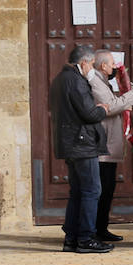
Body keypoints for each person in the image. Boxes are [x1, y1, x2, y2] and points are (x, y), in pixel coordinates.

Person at [48, 45, 111, 254]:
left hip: (71, 143)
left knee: (77, 192)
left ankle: (72, 238)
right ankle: (86, 237)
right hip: (82, 144)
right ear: (84, 62)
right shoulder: (76, 81)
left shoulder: (59, 80)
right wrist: (101, 109)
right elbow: (88, 113)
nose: (91, 68)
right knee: (92, 190)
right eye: (92, 64)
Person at [86, 50, 133, 243]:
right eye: (111, 64)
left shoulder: (104, 82)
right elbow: (110, 106)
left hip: (109, 147)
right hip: (103, 148)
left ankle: (102, 228)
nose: (114, 67)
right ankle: (93, 229)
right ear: (103, 66)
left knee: (108, 189)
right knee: (101, 190)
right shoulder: (95, 83)